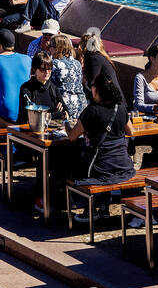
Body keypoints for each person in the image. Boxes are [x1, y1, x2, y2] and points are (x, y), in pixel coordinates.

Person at [47, 75, 135, 213]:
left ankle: (81, 206)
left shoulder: (91, 111)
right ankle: (103, 206)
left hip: (99, 166)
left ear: (96, 90)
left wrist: (66, 123)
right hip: (123, 166)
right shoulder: (121, 108)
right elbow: (131, 131)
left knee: (64, 161)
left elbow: (71, 136)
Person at [18, 50, 66, 122]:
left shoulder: (53, 88)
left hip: (51, 129)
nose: (47, 72)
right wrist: (56, 114)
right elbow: (31, 116)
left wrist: (48, 115)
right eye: (42, 69)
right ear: (34, 70)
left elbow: (65, 112)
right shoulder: (26, 88)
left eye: (49, 69)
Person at [50, 32, 88, 124]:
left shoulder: (54, 64)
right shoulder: (77, 63)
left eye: (50, 46)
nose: (49, 48)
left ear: (56, 48)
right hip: (81, 104)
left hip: (64, 105)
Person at [80, 28, 124, 101]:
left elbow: (92, 83)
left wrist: (83, 81)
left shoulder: (94, 59)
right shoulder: (99, 56)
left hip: (111, 102)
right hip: (111, 99)